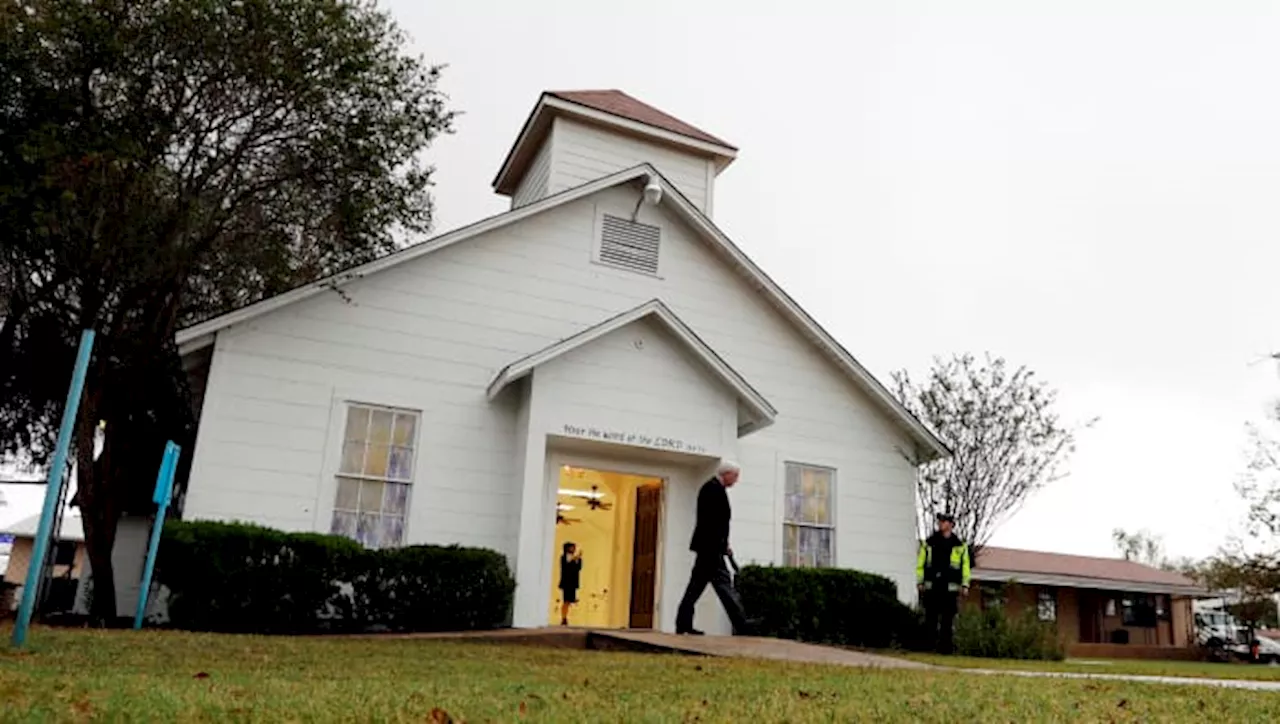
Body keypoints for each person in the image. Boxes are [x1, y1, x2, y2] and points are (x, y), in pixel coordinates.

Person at [675, 461, 750, 635]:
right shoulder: (712, 489)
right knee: (724, 587)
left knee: (695, 588)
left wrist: (725, 544)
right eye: (735, 476)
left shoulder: (714, 488)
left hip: (710, 548)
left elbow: (718, 523)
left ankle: (683, 623)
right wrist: (721, 545)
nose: (736, 480)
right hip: (711, 550)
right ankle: (742, 626)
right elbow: (712, 523)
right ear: (727, 474)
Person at [916, 512, 971, 654]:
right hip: (932, 586)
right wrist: (920, 582)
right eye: (939, 521)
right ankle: (928, 647)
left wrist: (965, 585)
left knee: (947, 621)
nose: (940, 523)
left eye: (944, 521)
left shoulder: (960, 546)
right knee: (930, 619)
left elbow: (965, 567)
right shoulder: (929, 543)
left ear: (951, 524)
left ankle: (945, 649)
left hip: (950, 589)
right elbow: (920, 565)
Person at [559, 542, 582, 626]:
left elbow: (579, 568)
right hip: (566, 582)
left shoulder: (575, 558)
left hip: (573, 582)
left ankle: (565, 617)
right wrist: (574, 559)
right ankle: (563, 617)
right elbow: (566, 566)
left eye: (574, 547)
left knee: (569, 601)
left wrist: (578, 559)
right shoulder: (564, 557)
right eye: (571, 547)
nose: (573, 549)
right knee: (566, 601)